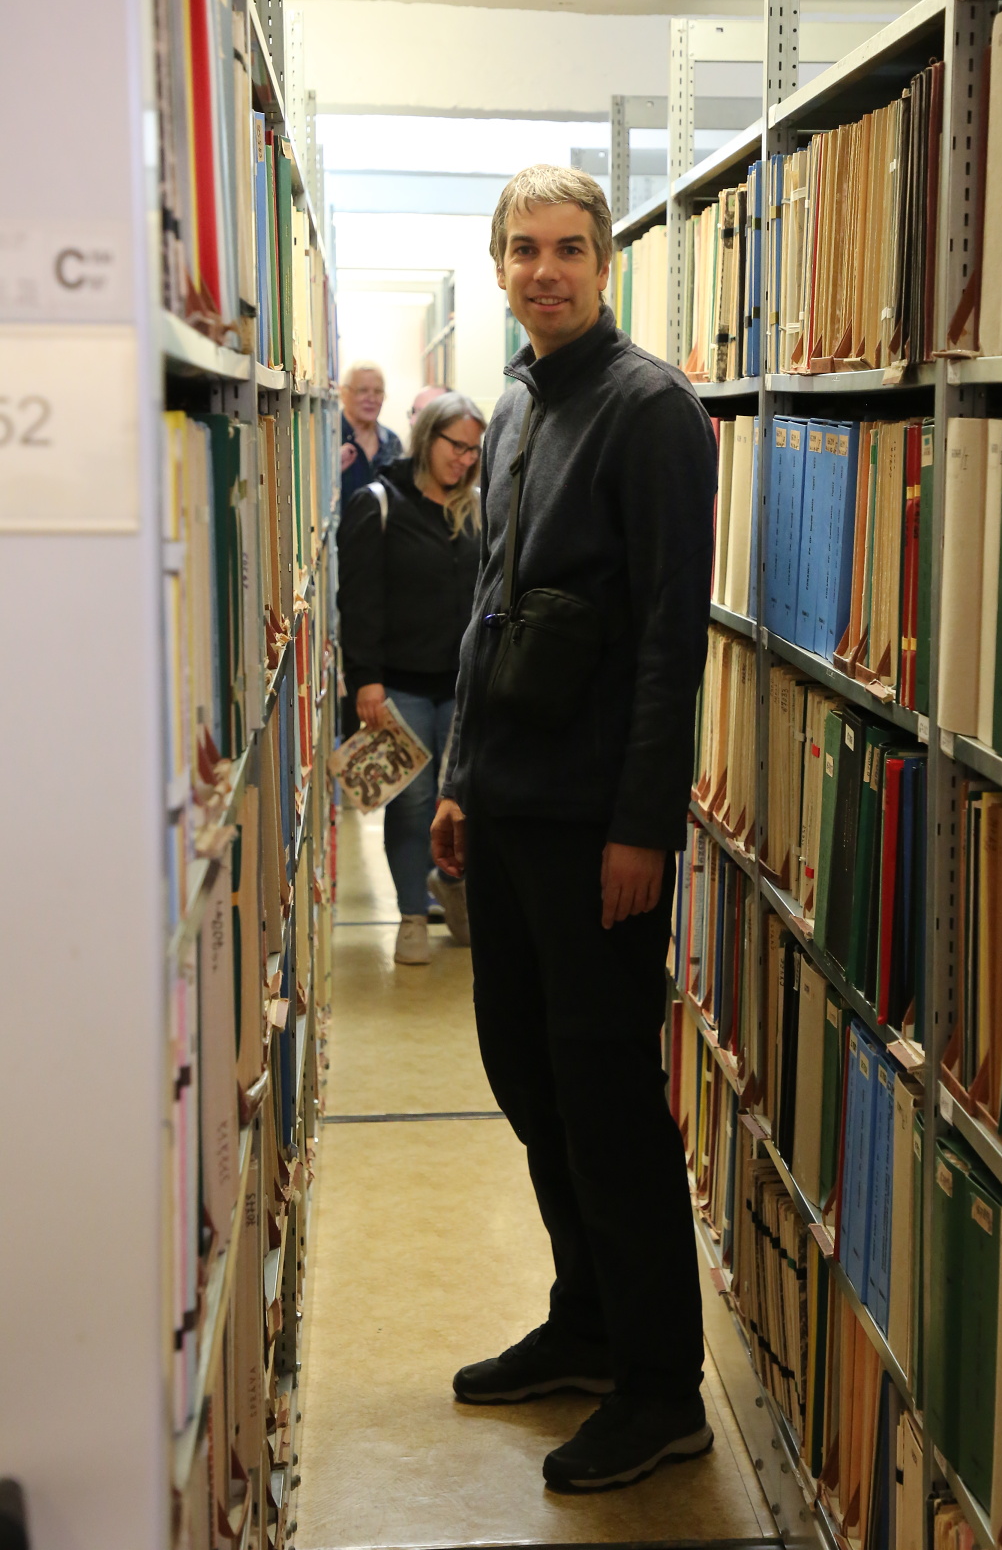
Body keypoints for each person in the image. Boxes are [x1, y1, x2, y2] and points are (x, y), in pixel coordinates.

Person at [431, 165, 717, 1492]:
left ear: (605, 264)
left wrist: (642, 827)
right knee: (527, 1076)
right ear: (499, 266)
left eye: (567, 249)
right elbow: (490, 605)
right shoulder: (513, 402)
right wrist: (457, 775)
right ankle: (588, 1323)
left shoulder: (651, 411)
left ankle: (661, 1390)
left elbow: (668, 640)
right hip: (505, 808)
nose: (543, 270)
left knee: (607, 1103)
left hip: (596, 826)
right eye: (523, 249)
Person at [338, 391, 486, 964]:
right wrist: (366, 679)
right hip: (398, 684)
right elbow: (360, 601)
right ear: (428, 438)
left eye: (474, 451)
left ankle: (450, 885)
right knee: (412, 803)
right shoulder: (379, 504)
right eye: (457, 446)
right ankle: (410, 917)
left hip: (464, 686)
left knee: (462, 801)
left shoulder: (477, 508)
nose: (465, 460)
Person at [339, 359, 403, 508]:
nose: (371, 399)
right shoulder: (329, 437)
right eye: (363, 391)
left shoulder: (392, 442)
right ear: (344, 393)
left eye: (378, 392)